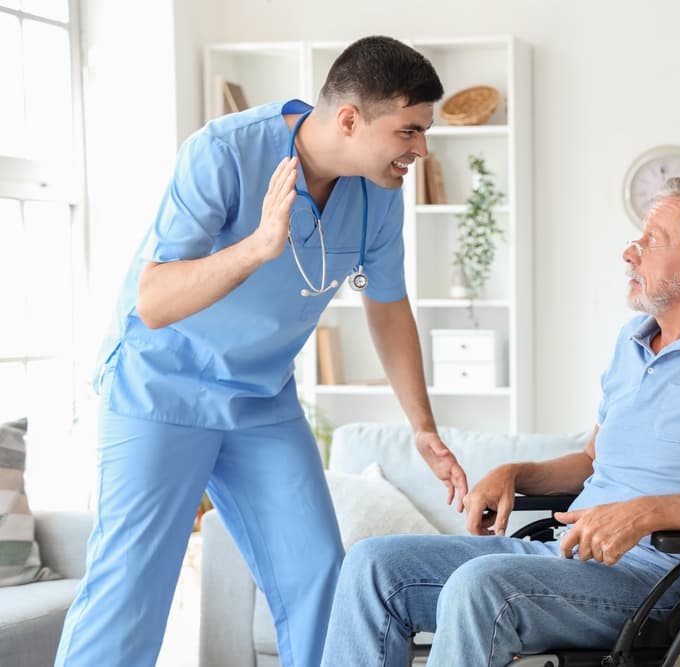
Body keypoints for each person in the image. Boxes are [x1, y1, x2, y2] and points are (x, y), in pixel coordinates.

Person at [56, 35, 468, 667]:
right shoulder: (222, 153)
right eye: (410, 130)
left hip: (260, 399)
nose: (421, 148)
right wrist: (255, 247)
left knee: (321, 582)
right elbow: (155, 300)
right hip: (160, 389)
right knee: (130, 594)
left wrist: (422, 426)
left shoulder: (378, 190)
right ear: (351, 119)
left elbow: (385, 303)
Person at [322, 177, 680, 667]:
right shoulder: (633, 341)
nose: (630, 253)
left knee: (483, 585)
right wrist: (516, 473)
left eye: (652, 242)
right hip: (570, 560)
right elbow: (591, 459)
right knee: (372, 566)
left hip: (665, 580)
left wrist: (646, 513)